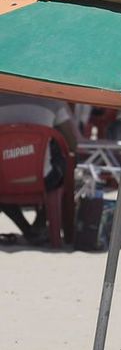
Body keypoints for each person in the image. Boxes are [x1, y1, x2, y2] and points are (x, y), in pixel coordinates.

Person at [0, 94, 80, 242]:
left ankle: (27, 229)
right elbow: (73, 144)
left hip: (3, 182)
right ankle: (40, 222)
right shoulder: (52, 98)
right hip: (44, 180)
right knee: (63, 161)